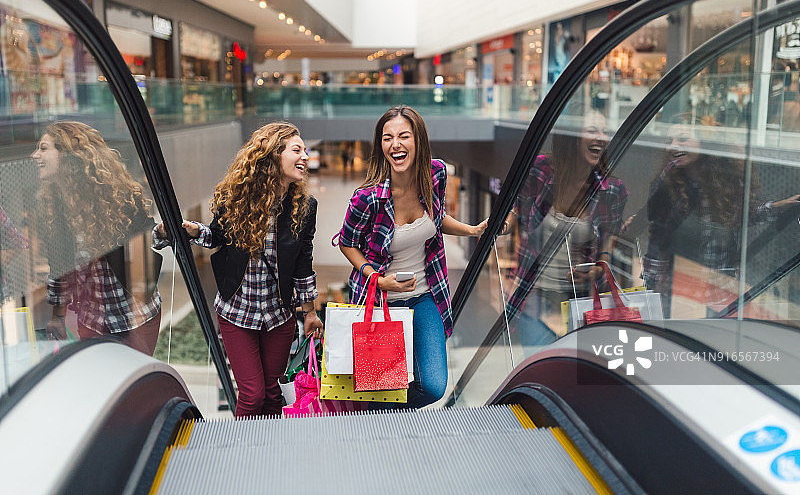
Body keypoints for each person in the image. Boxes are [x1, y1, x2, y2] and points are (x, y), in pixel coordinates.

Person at [155, 122, 323, 417]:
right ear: (273, 154)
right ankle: (240, 444)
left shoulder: (305, 207)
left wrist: (309, 312)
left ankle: (269, 444)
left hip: (278, 315)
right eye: (297, 150)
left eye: (305, 151)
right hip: (237, 313)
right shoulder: (236, 197)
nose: (305, 157)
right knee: (252, 394)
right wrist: (195, 231)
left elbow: (302, 262)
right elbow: (218, 237)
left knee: (273, 394)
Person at [336, 105, 486, 409]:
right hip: (380, 303)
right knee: (381, 390)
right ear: (380, 145)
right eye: (387, 138)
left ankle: (384, 414)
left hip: (426, 295)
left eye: (403, 136)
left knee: (432, 386)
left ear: (418, 140)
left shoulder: (436, 174)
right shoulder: (368, 198)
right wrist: (377, 280)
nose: (396, 144)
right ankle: (380, 421)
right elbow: (347, 243)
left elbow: (436, 219)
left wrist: (472, 231)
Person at [643, 119, 800, 317]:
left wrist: (777, 207)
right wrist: (651, 286)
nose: (673, 146)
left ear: (704, 142)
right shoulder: (667, 184)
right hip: (681, 287)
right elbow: (657, 235)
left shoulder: (727, 181)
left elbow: (746, 213)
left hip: (720, 286)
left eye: (682, 139)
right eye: (669, 141)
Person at [32, 121, 162, 355]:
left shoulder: (116, 196)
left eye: (43, 148)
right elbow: (59, 268)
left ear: (68, 154)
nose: (35, 155)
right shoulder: (52, 206)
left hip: (136, 318)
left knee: (133, 376)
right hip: (92, 322)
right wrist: (58, 317)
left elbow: (147, 237)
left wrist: (164, 234)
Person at [505, 110, 629, 348]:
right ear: (571, 136)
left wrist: (600, 266)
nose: (601, 137)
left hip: (582, 300)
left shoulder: (612, 190)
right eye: (592, 130)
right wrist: (502, 225)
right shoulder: (540, 170)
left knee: (576, 366)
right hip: (535, 295)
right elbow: (516, 209)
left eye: (605, 132)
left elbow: (610, 234)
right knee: (539, 365)